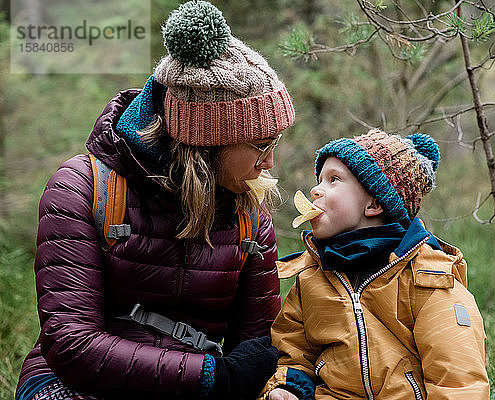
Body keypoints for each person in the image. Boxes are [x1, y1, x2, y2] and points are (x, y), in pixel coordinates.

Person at [15, 1, 295, 399]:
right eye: (260, 144)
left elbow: (254, 350)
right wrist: (212, 378)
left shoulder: (250, 214)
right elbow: (71, 345)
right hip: (73, 383)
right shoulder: (82, 188)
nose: (269, 162)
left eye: (276, 142)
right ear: (206, 142)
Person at [261, 129, 489, 400]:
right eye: (319, 180)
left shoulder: (430, 279)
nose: (316, 190)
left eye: (334, 180)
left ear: (374, 203)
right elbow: (294, 353)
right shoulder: (311, 277)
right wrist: (288, 389)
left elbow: (457, 381)